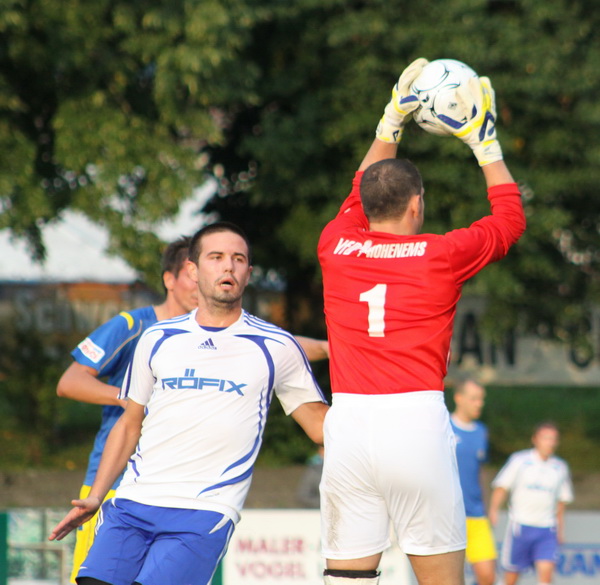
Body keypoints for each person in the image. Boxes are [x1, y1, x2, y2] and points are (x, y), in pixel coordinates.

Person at [317, 57, 526, 585]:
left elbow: (358, 191)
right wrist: (484, 143)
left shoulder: (335, 245)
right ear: (416, 205)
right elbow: (508, 220)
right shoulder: (439, 255)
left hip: (348, 425)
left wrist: (391, 120)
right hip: (414, 424)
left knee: (346, 579)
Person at [49, 221, 329, 585]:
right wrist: (97, 496)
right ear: (193, 270)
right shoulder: (156, 337)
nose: (228, 266)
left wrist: (381, 420)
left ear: (248, 273)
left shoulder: (277, 346)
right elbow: (129, 424)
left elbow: (319, 426)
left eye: (238, 259)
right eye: (216, 257)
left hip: (204, 511)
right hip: (131, 503)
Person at [56, 236, 198, 584]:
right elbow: (70, 382)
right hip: (113, 486)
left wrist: (327, 347)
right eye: (191, 274)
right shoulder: (133, 326)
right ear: (169, 279)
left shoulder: (210, 337)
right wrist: (128, 397)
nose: (200, 283)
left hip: (176, 489)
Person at [489, 422, 574, 585]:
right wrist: (493, 510)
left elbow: (561, 501)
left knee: (546, 574)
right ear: (535, 439)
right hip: (521, 526)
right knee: (511, 577)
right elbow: (502, 486)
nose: (549, 443)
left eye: (553, 439)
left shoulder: (560, 467)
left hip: (547, 529)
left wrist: (560, 529)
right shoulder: (520, 461)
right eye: (545, 438)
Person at [450, 380, 497, 585]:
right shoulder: (444, 426)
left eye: (481, 399)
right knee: (448, 577)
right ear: (458, 398)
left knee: (487, 576)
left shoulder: (481, 431)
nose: (479, 403)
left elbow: (481, 472)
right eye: (474, 399)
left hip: (476, 514)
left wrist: (488, 508)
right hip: (448, 515)